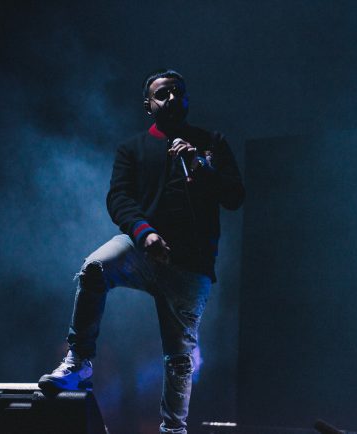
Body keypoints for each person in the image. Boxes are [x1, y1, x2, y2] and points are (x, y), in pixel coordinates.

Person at [38, 69, 245, 434]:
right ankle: (79, 361)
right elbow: (119, 198)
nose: (171, 99)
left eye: (177, 92)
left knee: (179, 358)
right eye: (162, 94)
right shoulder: (132, 149)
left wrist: (201, 166)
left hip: (190, 264)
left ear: (187, 99)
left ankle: (173, 429)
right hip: (142, 249)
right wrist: (144, 233)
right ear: (148, 105)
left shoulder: (211, 142)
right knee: (95, 267)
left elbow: (234, 197)